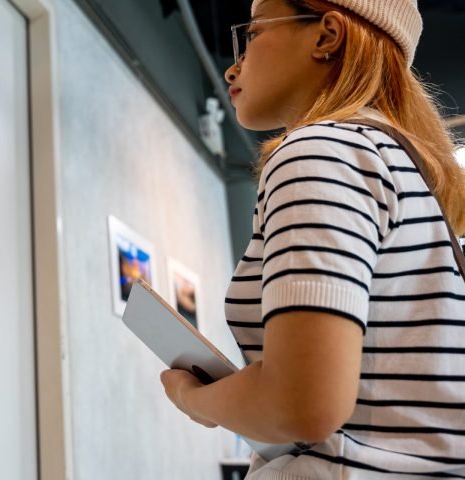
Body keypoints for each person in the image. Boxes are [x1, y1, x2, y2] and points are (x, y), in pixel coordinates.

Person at [158, 1, 465, 478]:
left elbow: (303, 404)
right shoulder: (393, 167)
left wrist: (196, 398)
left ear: (327, 36)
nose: (233, 64)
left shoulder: (321, 150)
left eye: (252, 34)